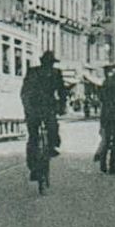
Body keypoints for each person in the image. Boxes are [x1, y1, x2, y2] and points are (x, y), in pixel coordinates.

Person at [21, 50, 67, 182]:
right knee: (43, 132)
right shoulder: (49, 73)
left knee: (38, 135)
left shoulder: (37, 72)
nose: (50, 65)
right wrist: (62, 106)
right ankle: (48, 151)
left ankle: (45, 153)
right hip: (41, 107)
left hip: (40, 108)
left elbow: (62, 92)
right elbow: (62, 92)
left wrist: (62, 105)